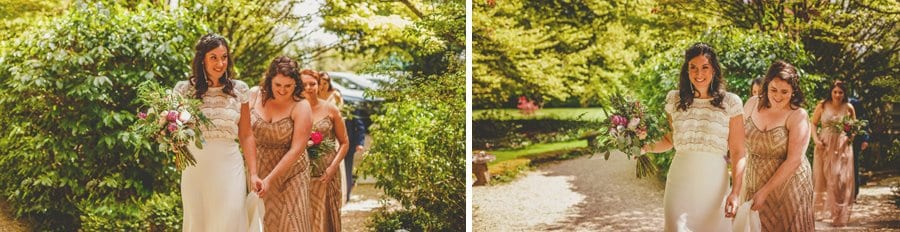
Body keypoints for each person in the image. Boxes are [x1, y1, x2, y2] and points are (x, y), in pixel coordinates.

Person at [643, 43, 746, 231]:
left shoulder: (730, 102)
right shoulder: (674, 100)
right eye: (693, 67)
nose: (699, 73)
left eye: (705, 67)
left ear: (714, 69)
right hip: (680, 182)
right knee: (676, 227)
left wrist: (736, 192)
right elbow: (669, 140)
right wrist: (641, 146)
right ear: (687, 70)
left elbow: (739, 151)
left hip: (714, 184)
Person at [175, 33, 257, 231]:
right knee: (199, 221)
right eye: (214, 57)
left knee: (230, 218)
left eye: (224, 57)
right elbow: (175, 130)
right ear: (202, 59)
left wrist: (253, 174)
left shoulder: (240, 90)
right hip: (196, 167)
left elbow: (246, 134)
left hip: (230, 166)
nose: (220, 63)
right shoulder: (185, 90)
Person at [741, 60, 814, 231]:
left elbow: (794, 160)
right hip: (753, 181)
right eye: (773, 89)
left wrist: (765, 192)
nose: (778, 96)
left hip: (789, 185)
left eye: (785, 92)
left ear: (793, 91)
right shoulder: (751, 104)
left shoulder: (798, 116)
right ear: (766, 86)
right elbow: (737, 140)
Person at [248, 56, 313, 231]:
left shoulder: (301, 106)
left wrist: (270, 179)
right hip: (260, 169)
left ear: (296, 84)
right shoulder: (254, 95)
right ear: (270, 81)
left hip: (292, 172)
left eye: (288, 86)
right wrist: (254, 173)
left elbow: (297, 149)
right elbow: (246, 135)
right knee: (268, 223)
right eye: (278, 85)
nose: (282, 90)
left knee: (294, 223)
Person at [302, 70, 349, 231]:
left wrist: (332, 168)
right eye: (304, 84)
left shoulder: (331, 110)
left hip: (327, 172)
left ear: (319, 85)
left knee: (327, 217)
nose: (308, 88)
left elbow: (344, 143)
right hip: (302, 173)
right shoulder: (295, 109)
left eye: (312, 84)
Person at [811, 80, 857, 227]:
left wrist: (850, 138)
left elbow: (854, 127)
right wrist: (816, 140)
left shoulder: (848, 107)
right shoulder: (822, 105)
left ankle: (839, 214)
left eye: (840, 92)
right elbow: (813, 123)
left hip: (842, 146)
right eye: (835, 92)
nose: (837, 95)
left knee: (840, 179)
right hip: (824, 146)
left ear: (844, 94)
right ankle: (832, 213)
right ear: (831, 92)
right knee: (828, 178)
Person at [848, 97, 869, 201]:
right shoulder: (832, 102)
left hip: (855, 140)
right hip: (836, 141)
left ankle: (854, 193)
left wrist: (865, 139)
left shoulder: (855, 103)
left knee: (853, 165)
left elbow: (863, 120)